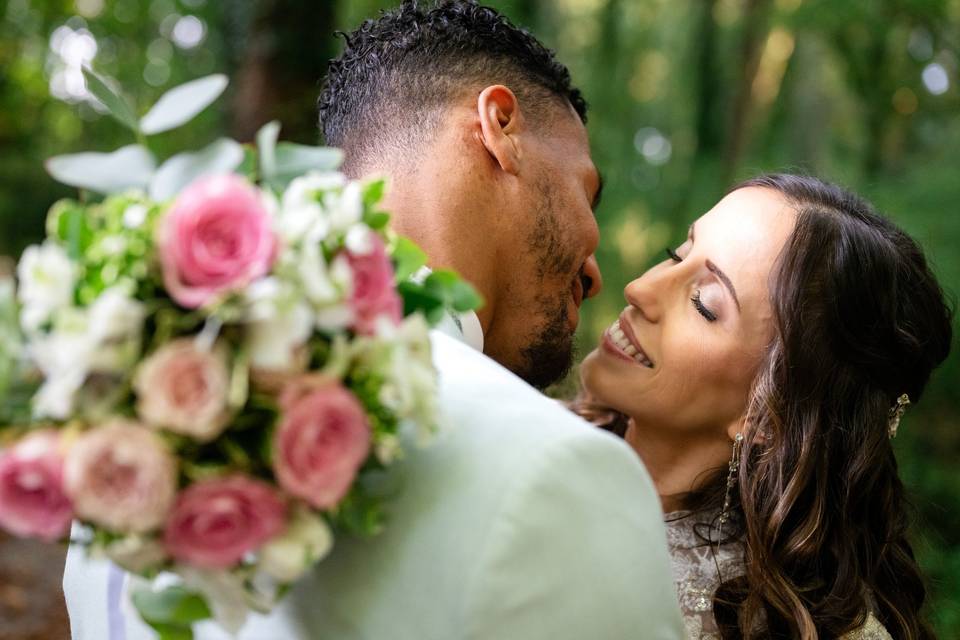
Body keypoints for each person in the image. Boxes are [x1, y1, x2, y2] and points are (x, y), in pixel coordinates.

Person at [63, 2, 685, 639]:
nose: (597, 272)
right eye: (587, 192)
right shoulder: (555, 472)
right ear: (500, 125)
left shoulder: (134, 405)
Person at [577, 174, 953, 639]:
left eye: (704, 303)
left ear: (766, 415)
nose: (640, 289)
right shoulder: (521, 435)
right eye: (676, 254)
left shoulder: (788, 629)